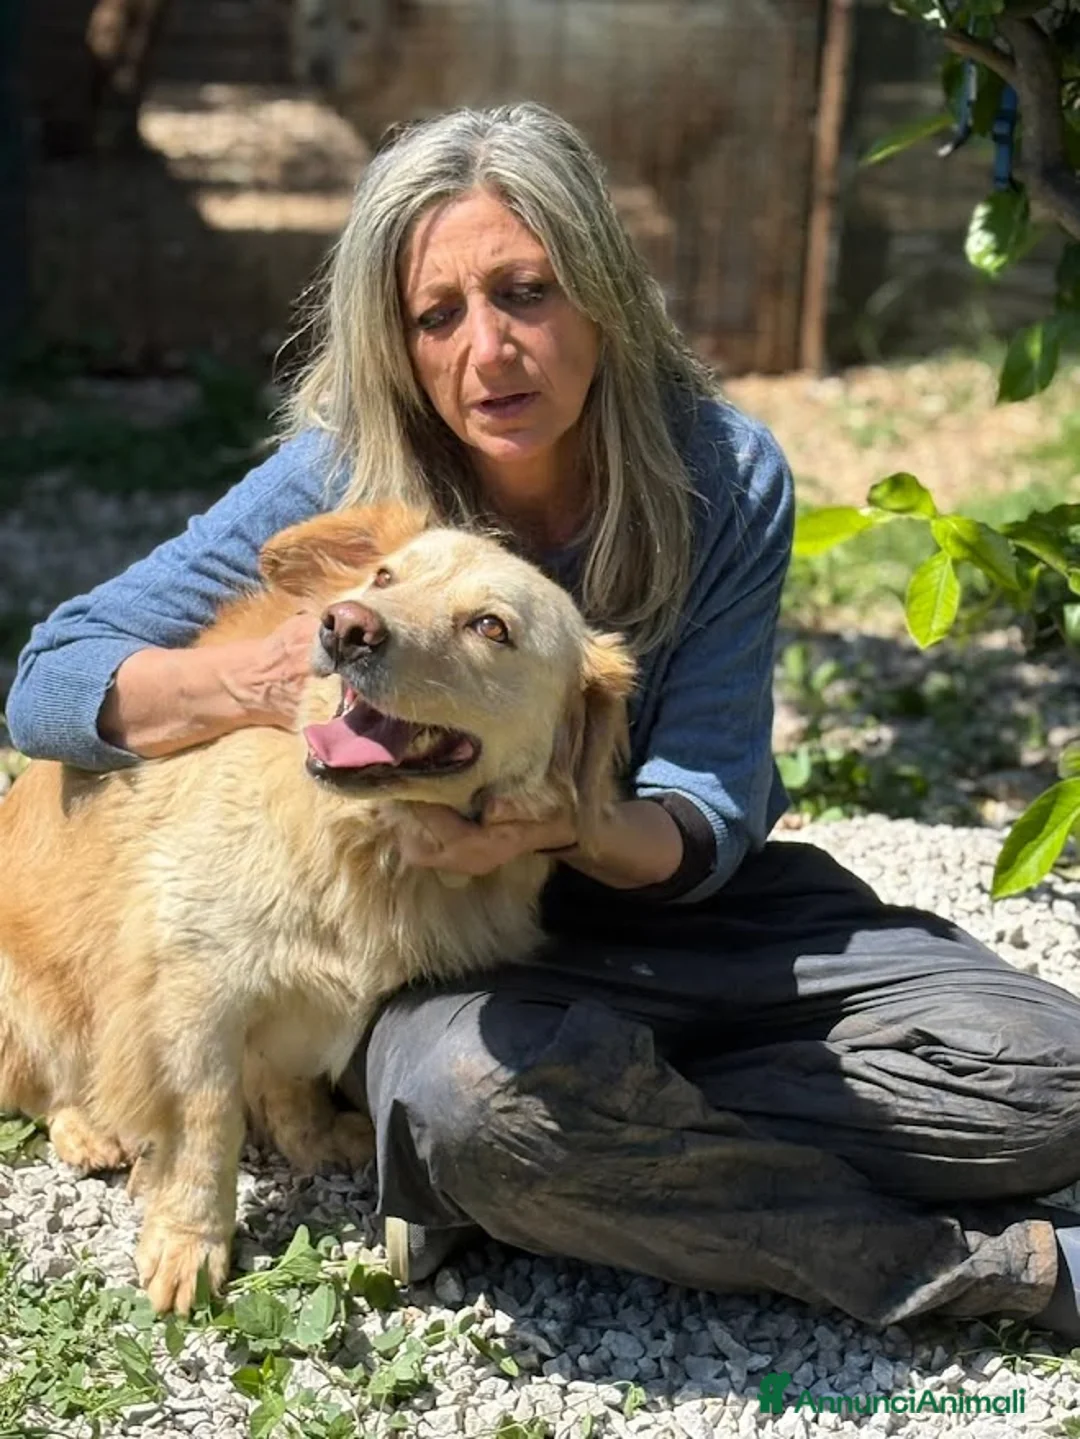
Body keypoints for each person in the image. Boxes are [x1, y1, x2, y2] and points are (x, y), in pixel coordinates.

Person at [8, 102, 1080, 1340]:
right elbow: (51, 677)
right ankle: (1002, 1269)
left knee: (1051, 1082)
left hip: (660, 896)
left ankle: (617, 1133)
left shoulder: (722, 472)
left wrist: (557, 825)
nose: (489, 351)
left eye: (527, 292)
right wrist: (269, 680)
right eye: (438, 315)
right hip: (430, 949)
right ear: (398, 341)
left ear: (604, 296)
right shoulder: (345, 474)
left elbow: (712, 801)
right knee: (482, 1107)